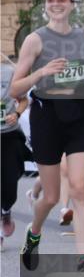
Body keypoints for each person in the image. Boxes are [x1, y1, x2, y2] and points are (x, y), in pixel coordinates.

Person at [9, 0, 84, 272]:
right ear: (45, 6)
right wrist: (42, 72)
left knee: (80, 188)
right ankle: (34, 232)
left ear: (71, 4)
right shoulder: (35, 40)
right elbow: (14, 87)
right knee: (53, 197)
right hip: (47, 118)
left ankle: (83, 259)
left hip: (79, 117)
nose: (56, 3)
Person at [1, 55, 30, 248]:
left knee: (9, 184)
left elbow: (23, 100)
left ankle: (6, 209)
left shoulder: (10, 72)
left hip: (9, 136)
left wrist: (17, 114)